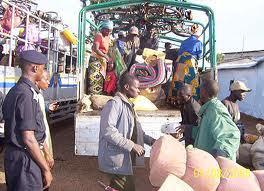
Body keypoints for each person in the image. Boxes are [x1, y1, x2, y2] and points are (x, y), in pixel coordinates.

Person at [2, 50, 53, 190]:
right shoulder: (26, 94)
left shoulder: (15, 91)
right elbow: (29, 139)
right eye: (42, 68)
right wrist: (46, 169)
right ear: (35, 68)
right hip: (25, 160)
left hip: (16, 158)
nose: (43, 73)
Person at [98, 73, 156, 191]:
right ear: (126, 87)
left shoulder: (129, 106)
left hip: (121, 160)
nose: (139, 91)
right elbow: (108, 130)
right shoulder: (114, 104)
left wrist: (153, 141)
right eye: (137, 87)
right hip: (114, 160)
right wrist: (131, 145)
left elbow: (138, 132)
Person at [177, 80, 240, 161]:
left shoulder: (215, 110)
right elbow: (205, 132)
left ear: (204, 92)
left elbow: (231, 135)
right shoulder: (208, 109)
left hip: (214, 165)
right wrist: (188, 129)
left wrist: (218, 156)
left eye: (201, 90)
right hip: (205, 160)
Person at [36, 70, 56, 168]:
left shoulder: (39, 94)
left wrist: (48, 107)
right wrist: (47, 153)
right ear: (37, 79)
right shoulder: (32, 96)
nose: (48, 82)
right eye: (46, 79)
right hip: (39, 140)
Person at [89, 20, 113, 94]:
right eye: (107, 30)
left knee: (101, 79)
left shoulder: (108, 37)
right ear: (103, 28)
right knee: (94, 80)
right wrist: (106, 56)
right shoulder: (99, 35)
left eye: (110, 31)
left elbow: (108, 48)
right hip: (95, 60)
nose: (108, 32)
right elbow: (96, 49)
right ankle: (93, 96)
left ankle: (98, 96)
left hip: (102, 60)